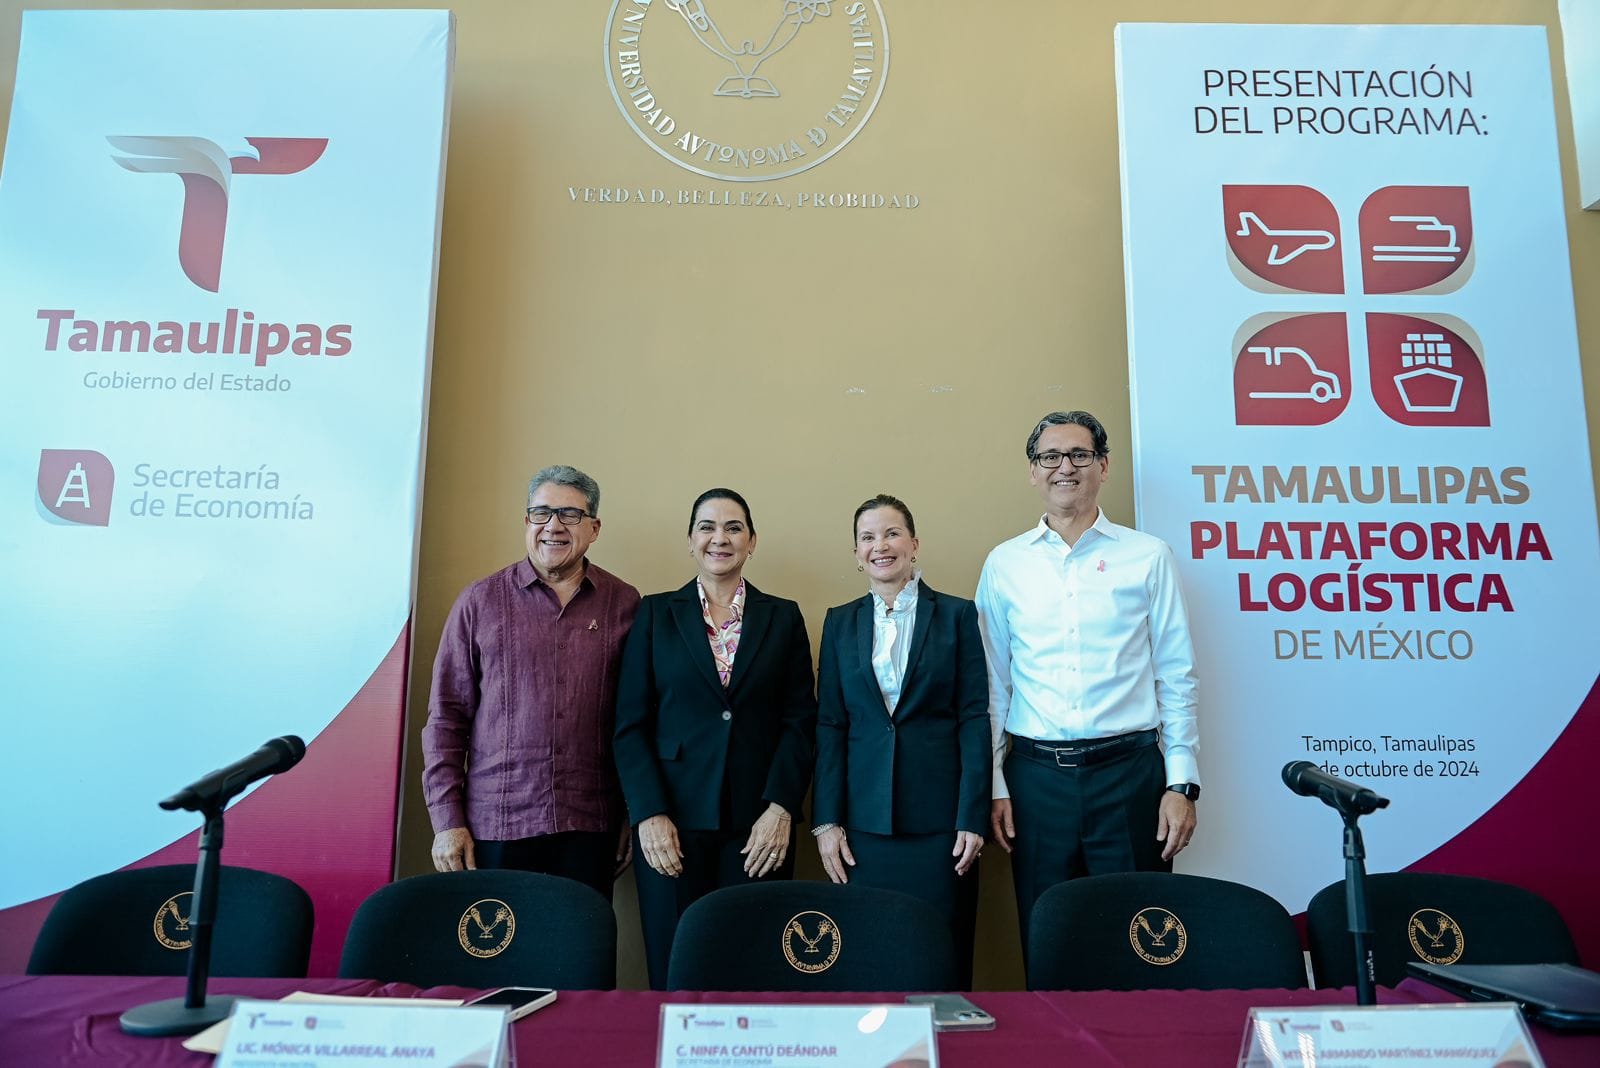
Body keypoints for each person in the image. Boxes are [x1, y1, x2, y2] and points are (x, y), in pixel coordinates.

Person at [976, 410, 1200, 949]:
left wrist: (1181, 784)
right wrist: (996, 783)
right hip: (1035, 784)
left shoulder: (1148, 556)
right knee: (1050, 937)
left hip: (1130, 778)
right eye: (1050, 456)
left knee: (1141, 940)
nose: (1065, 467)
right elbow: (992, 685)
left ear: (1104, 466)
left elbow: (1177, 675)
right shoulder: (1005, 564)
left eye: (1080, 455)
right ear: (1033, 471)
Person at [613, 487, 818, 990]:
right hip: (671, 825)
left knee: (752, 969)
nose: (719, 538)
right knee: (676, 970)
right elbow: (629, 725)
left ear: (752, 541)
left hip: (758, 826)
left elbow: (800, 722)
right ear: (690, 540)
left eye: (733, 528)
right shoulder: (655, 614)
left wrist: (781, 808)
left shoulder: (783, 616)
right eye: (707, 527)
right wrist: (648, 813)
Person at [421, 465, 641, 901]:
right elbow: (446, 718)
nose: (553, 526)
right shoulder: (479, 602)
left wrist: (634, 812)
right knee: (497, 944)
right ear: (526, 522)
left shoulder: (624, 604)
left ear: (594, 529)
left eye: (570, 514)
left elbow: (638, 720)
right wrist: (447, 821)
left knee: (579, 944)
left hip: (590, 825)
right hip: (496, 824)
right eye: (541, 513)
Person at [812, 494, 990, 988]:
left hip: (942, 828)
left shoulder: (957, 615)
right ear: (856, 552)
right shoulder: (839, 621)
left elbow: (974, 718)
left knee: (941, 958)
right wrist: (826, 820)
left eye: (891, 534)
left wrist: (971, 815)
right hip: (862, 828)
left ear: (914, 543)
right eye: (867, 537)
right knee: (868, 959)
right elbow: (830, 725)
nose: (880, 546)